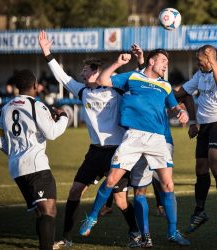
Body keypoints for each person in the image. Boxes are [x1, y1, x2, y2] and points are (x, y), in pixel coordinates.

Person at [38, 31, 141, 248]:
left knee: (121, 200)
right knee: (75, 191)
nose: (82, 74)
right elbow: (62, 77)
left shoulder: (116, 90)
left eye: (86, 70)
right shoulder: (82, 91)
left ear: (97, 72)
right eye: (82, 71)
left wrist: (138, 61)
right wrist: (47, 52)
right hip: (95, 152)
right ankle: (66, 238)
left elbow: (139, 81)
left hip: (117, 152)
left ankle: (135, 233)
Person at [79, 48, 190, 246]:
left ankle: (172, 231)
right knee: (112, 179)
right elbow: (103, 80)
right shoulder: (132, 76)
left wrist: (182, 112)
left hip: (157, 139)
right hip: (133, 136)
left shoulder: (165, 85)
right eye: (163, 60)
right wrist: (117, 63)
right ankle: (92, 217)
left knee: (168, 185)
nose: (166, 64)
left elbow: (174, 105)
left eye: (167, 61)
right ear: (151, 62)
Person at [0, 69, 68, 250]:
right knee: (49, 211)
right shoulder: (37, 105)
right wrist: (64, 117)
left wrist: (13, 153)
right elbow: (51, 133)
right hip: (36, 166)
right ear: (35, 86)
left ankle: (47, 243)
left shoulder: (5, 108)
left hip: (16, 168)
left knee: (40, 212)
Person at [174, 45, 217, 236]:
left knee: (215, 162)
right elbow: (182, 93)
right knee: (200, 168)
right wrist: (192, 121)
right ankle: (199, 212)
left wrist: (214, 63)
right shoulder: (199, 75)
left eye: (200, 60)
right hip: (205, 126)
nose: (197, 63)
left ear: (210, 60)